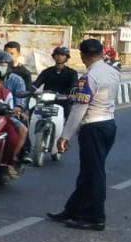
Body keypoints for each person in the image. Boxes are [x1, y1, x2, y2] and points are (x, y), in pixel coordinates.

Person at [48, 38, 119, 231]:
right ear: (102, 53)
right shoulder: (113, 72)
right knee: (88, 172)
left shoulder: (89, 77)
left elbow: (80, 108)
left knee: (94, 174)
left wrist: (65, 136)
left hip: (93, 126)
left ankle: (96, 218)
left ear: (82, 56)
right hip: (108, 123)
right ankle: (73, 210)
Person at [34, 46, 78, 118]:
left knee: (70, 116)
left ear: (67, 58)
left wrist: (69, 95)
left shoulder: (72, 73)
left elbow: (74, 87)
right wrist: (28, 91)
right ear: (53, 56)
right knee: (32, 113)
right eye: (57, 54)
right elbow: (36, 84)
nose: (59, 57)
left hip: (64, 102)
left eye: (62, 55)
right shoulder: (47, 72)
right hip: (47, 101)